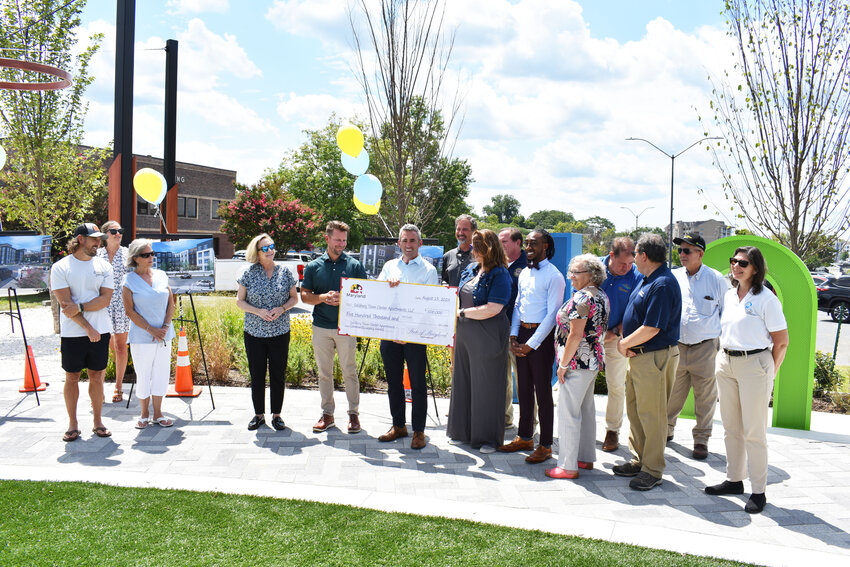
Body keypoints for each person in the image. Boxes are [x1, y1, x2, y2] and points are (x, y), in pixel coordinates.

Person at [705, 246, 788, 514]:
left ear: (756, 268)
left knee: (754, 431)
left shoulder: (766, 299)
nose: (736, 266)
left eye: (743, 262)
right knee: (731, 428)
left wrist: (768, 373)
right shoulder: (730, 295)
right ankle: (734, 480)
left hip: (755, 364)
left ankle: (759, 490)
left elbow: (782, 342)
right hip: (726, 361)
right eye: (734, 261)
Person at [613, 233, 681, 491]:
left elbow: (652, 327)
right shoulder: (647, 280)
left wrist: (623, 343)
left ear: (643, 255)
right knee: (636, 410)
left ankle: (652, 469)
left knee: (652, 415)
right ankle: (639, 460)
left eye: (634, 254)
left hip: (653, 356)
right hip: (639, 356)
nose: (631, 258)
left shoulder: (662, 284)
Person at [499, 229, 566, 464]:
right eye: (526, 242)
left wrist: (532, 344)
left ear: (546, 245)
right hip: (523, 333)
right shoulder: (524, 273)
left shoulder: (554, 276)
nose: (528, 246)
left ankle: (545, 444)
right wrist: (514, 335)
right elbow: (518, 305)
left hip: (542, 336)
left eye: (533, 243)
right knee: (524, 389)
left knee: (543, 392)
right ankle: (525, 436)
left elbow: (552, 314)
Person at [447, 229, 512, 453]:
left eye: (478, 246)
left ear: (489, 248)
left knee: (487, 385)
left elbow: (493, 308)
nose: (473, 250)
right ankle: (461, 432)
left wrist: (463, 313)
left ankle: (488, 439)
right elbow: (457, 296)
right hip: (466, 333)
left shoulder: (500, 274)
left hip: (488, 334)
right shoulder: (470, 269)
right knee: (463, 381)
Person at [546, 254, 610, 479]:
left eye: (576, 272)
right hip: (592, 361)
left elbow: (575, 335)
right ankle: (584, 458)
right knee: (586, 410)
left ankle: (567, 466)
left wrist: (563, 364)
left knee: (568, 413)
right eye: (570, 271)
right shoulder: (601, 295)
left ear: (591, 275)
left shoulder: (582, 298)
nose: (571, 276)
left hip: (576, 362)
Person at [301, 221, 368, 434]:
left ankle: (353, 415)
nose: (341, 244)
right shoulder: (313, 266)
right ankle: (327, 414)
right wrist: (322, 298)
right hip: (321, 327)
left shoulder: (354, 266)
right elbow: (304, 295)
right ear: (327, 238)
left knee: (350, 371)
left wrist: (345, 298)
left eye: (344, 240)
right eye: (338, 239)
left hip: (346, 327)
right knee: (324, 373)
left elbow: (365, 294)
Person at [377, 224, 439, 450]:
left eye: (413, 241)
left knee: (418, 384)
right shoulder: (389, 266)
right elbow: (378, 296)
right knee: (393, 382)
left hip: (414, 336)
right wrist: (387, 286)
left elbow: (428, 304)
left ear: (420, 243)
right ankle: (398, 426)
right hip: (391, 334)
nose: (409, 245)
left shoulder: (428, 270)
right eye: (405, 240)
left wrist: (410, 331)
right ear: (399, 243)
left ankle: (419, 431)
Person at [50, 223, 114, 441]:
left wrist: (82, 307)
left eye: (100, 239)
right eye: (94, 239)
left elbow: (106, 299)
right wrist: (88, 327)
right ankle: (73, 424)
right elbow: (66, 306)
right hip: (73, 334)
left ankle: (98, 422)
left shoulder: (104, 266)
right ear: (80, 239)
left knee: (97, 376)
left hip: (101, 331)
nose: (99, 242)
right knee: (72, 377)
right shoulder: (60, 267)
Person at [667, 234, 728, 460]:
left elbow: (726, 312)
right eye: (680, 250)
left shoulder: (716, 279)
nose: (682, 255)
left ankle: (701, 439)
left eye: (687, 251)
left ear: (700, 253)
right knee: (672, 392)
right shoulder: (673, 276)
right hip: (678, 345)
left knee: (705, 396)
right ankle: (666, 430)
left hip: (705, 347)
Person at [236, 233, 299, 431]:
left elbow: (294, 299)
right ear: (257, 252)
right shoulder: (248, 272)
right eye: (265, 248)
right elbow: (239, 301)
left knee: (278, 374)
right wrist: (258, 311)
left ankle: (277, 415)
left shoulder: (285, 271)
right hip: (254, 332)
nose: (270, 250)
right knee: (257, 374)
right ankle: (258, 415)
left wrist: (282, 309)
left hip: (280, 332)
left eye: (271, 246)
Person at [122, 239, 176, 429]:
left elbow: (171, 304)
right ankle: (144, 413)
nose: (151, 257)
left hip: (164, 335)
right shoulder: (129, 280)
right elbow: (129, 311)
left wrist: (165, 327)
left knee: (161, 374)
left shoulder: (162, 275)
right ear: (136, 258)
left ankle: (158, 414)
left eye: (152, 253)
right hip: (142, 336)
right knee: (143, 374)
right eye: (146, 255)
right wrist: (151, 330)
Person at [598, 237, 643, 452]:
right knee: (582, 384)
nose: (627, 268)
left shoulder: (636, 276)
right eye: (622, 264)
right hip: (589, 337)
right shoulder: (594, 268)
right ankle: (582, 428)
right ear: (611, 255)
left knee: (616, 385)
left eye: (630, 264)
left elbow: (634, 310)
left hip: (617, 339)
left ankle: (612, 430)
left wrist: (614, 332)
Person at [96, 220, 131, 403]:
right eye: (113, 231)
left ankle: (118, 387)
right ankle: (99, 388)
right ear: (104, 235)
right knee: (102, 346)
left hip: (122, 304)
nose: (118, 234)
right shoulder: (97, 255)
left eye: (120, 230)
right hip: (102, 305)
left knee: (120, 346)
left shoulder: (128, 254)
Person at [499, 227, 528, 428]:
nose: (501, 245)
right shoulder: (498, 264)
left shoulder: (529, 265)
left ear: (518, 243)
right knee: (502, 378)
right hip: (498, 329)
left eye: (505, 242)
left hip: (520, 332)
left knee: (523, 378)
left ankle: (528, 423)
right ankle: (505, 418)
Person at [442, 214, 477, 287]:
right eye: (458, 229)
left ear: (474, 232)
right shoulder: (448, 256)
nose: (461, 233)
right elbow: (441, 280)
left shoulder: (481, 256)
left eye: (465, 229)